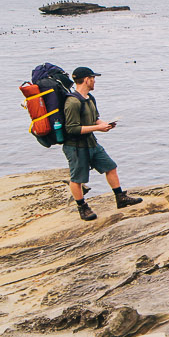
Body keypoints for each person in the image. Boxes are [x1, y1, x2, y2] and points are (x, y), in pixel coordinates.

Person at [62, 66, 142, 221]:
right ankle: (82, 208)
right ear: (86, 79)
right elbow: (71, 129)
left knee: (110, 167)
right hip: (75, 147)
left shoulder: (90, 98)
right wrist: (98, 128)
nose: (94, 81)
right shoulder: (72, 102)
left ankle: (120, 198)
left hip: (91, 142)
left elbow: (94, 118)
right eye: (93, 78)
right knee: (77, 179)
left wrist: (104, 124)